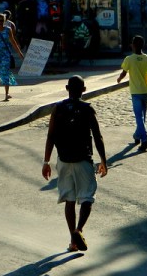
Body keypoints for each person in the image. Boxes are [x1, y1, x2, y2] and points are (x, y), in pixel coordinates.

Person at [42, 76, 108, 253]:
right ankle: (79, 230)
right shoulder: (87, 109)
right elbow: (97, 136)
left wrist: (46, 161)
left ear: (66, 88)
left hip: (63, 160)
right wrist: (103, 160)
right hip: (83, 159)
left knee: (69, 200)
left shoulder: (58, 109)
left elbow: (50, 136)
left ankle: (73, 242)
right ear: (84, 90)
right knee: (87, 197)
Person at [116, 35, 147, 151]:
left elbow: (124, 72)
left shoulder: (129, 59)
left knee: (138, 116)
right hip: (146, 91)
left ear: (133, 45)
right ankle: (137, 135)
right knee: (142, 116)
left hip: (136, 91)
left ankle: (145, 140)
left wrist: (119, 79)